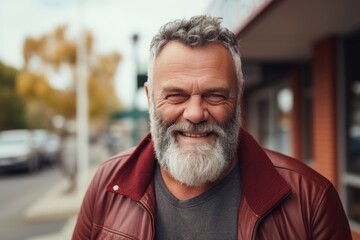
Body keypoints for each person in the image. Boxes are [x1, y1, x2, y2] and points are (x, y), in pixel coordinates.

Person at [73, 15, 351, 239]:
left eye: (215, 95)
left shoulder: (312, 200)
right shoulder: (106, 185)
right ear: (149, 98)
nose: (195, 114)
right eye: (176, 95)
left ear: (238, 97)